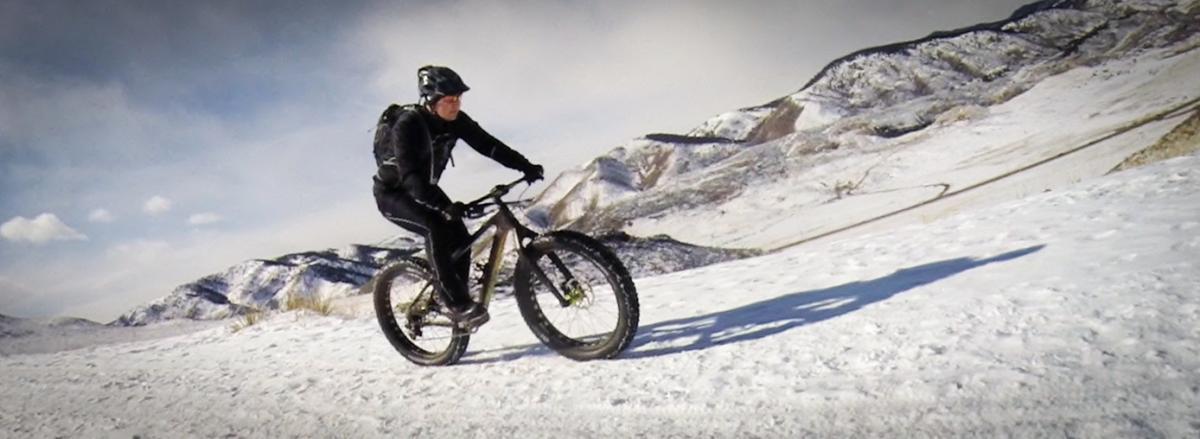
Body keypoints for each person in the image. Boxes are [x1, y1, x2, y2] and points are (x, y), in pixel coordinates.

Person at [372, 65, 544, 329]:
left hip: (425, 189)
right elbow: (411, 179)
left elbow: (489, 145)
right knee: (435, 228)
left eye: (458, 99)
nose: (456, 105)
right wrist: (444, 206)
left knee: (461, 237)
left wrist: (525, 165)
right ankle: (454, 303)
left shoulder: (458, 121)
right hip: (394, 193)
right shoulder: (408, 126)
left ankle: (459, 298)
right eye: (449, 100)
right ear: (431, 101)